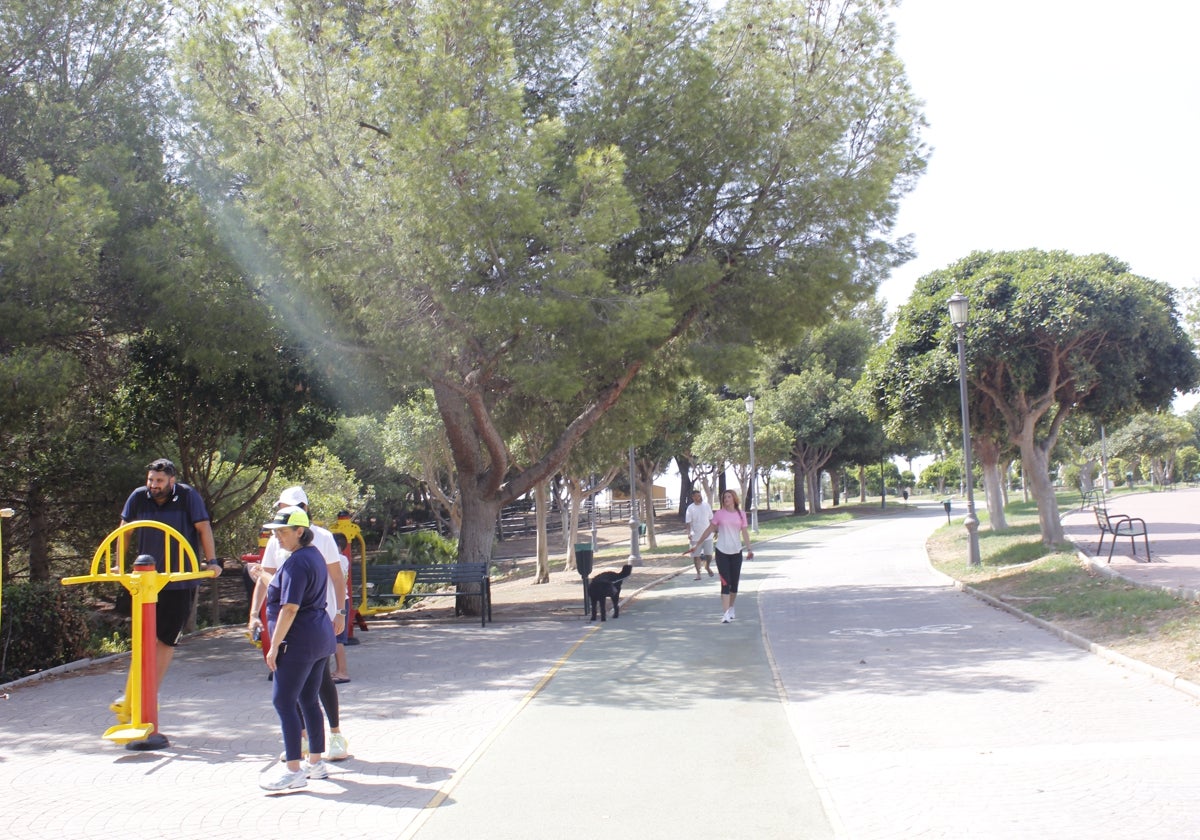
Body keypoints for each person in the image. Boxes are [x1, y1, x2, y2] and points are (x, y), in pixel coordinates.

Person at [112, 458, 221, 723]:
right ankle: (133, 695)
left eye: (159, 481)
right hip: (145, 580)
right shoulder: (139, 497)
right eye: (151, 480)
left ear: (172, 480)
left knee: (166, 639)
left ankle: (147, 693)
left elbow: (203, 527)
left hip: (177, 581)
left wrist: (212, 561)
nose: (154, 486)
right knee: (143, 638)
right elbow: (124, 531)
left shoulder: (187, 496)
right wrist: (118, 565)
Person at [249, 487, 350, 761]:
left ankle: (327, 742)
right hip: (297, 625)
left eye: (290, 508)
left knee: (304, 690)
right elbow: (274, 581)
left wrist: (340, 611)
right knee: (301, 694)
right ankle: (308, 751)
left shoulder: (319, 542)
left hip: (308, 623)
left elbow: (299, 598)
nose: (280, 529)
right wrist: (254, 613)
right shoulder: (284, 542)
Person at [258, 506, 337, 791]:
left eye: (281, 531)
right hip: (318, 636)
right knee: (308, 699)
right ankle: (315, 762)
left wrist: (274, 645)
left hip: (299, 640)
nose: (276, 537)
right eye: (275, 531)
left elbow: (289, 608)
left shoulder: (296, 562)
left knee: (284, 701)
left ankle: (293, 769)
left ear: (299, 531)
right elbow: (285, 590)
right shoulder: (313, 556)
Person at [681, 489, 754, 623]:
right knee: (725, 583)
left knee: (734, 584)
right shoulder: (719, 514)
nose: (726, 499)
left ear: (734, 499)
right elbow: (709, 529)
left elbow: (744, 533)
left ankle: (731, 607)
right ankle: (726, 613)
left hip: (736, 552)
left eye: (728, 497)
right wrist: (697, 544)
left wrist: (749, 549)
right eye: (724, 497)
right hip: (722, 552)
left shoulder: (741, 514)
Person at [684, 488, 714, 580]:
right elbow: (688, 523)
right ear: (693, 497)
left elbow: (711, 519)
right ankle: (698, 573)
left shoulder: (706, 506)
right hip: (695, 537)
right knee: (696, 555)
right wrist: (688, 533)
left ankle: (707, 566)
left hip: (708, 536)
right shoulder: (690, 508)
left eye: (700, 495)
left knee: (709, 555)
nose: (699, 497)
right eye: (697, 496)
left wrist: (715, 530)